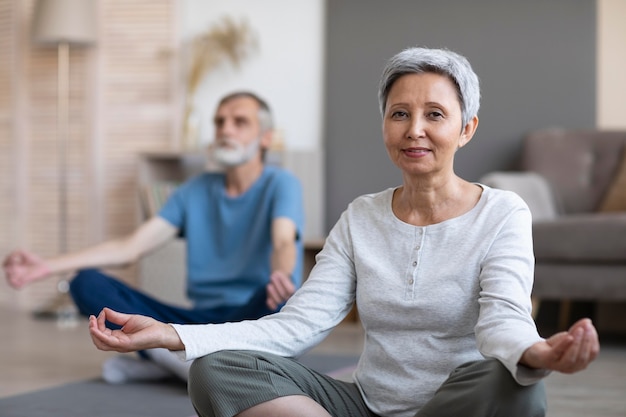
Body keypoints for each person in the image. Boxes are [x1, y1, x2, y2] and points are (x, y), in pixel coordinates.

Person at [87, 47, 599, 417]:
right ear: (384, 127)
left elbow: (503, 322)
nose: (414, 129)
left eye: (435, 115)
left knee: (515, 384)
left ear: (466, 129)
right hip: (363, 404)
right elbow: (297, 325)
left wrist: (536, 352)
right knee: (217, 369)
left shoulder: (504, 213)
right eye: (400, 114)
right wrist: (170, 334)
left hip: (455, 402)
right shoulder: (361, 217)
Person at [3, 91, 305, 385]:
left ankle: (169, 362)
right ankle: (189, 365)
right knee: (86, 282)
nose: (225, 129)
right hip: (193, 323)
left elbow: (283, 241)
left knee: (275, 296)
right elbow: (130, 247)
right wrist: (46, 266)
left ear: (266, 137)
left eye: (239, 122)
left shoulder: (282, 183)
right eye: (219, 122)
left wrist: (280, 274)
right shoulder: (194, 190)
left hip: (249, 318)